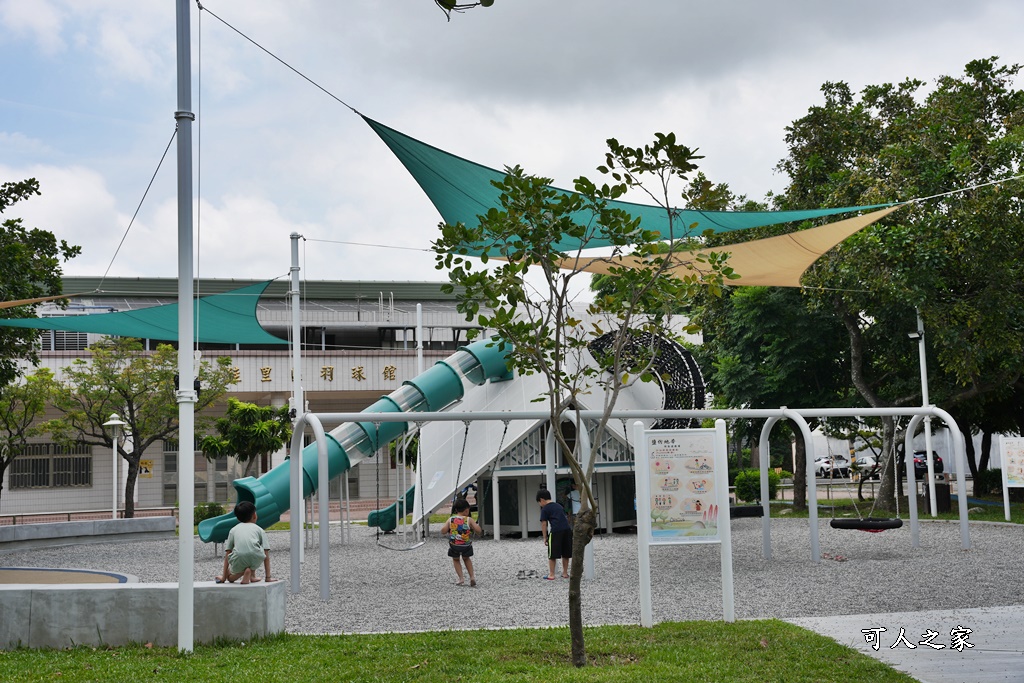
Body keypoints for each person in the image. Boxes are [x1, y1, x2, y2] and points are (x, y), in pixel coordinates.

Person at [215, 500, 276, 585]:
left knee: (230, 578)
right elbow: (266, 554)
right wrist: (268, 578)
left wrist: (224, 577)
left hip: (239, 559)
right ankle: (250, 573)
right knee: (253, 550)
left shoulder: (233, 530)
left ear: (238, 518)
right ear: (254, 515)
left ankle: (243, 573)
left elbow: (228, 553)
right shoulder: (259, 530)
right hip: (255, 559)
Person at [441, 497, 481, 587]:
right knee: (466, 559)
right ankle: (472, 577)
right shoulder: (468, 520)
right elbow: (478, 530)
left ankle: (461, 578)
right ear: (467, 510)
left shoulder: (451, 519)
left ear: (456, 510)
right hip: (466, 545)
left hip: (454, 545)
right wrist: (475, 529)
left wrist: (449, 528)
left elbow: (443, 531)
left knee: (456, 559)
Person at [536, 488, 571, 580]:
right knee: (565, 553)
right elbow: (566, 518)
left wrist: (545, 537)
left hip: (556, 531)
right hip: (567, 530)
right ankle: (565, 573)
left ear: (542, 500)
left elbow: (544, 523)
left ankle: (551, 574)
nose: (540, 505)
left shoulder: (545, 509)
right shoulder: (559, 506)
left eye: (539, 503)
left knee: (552, 554)